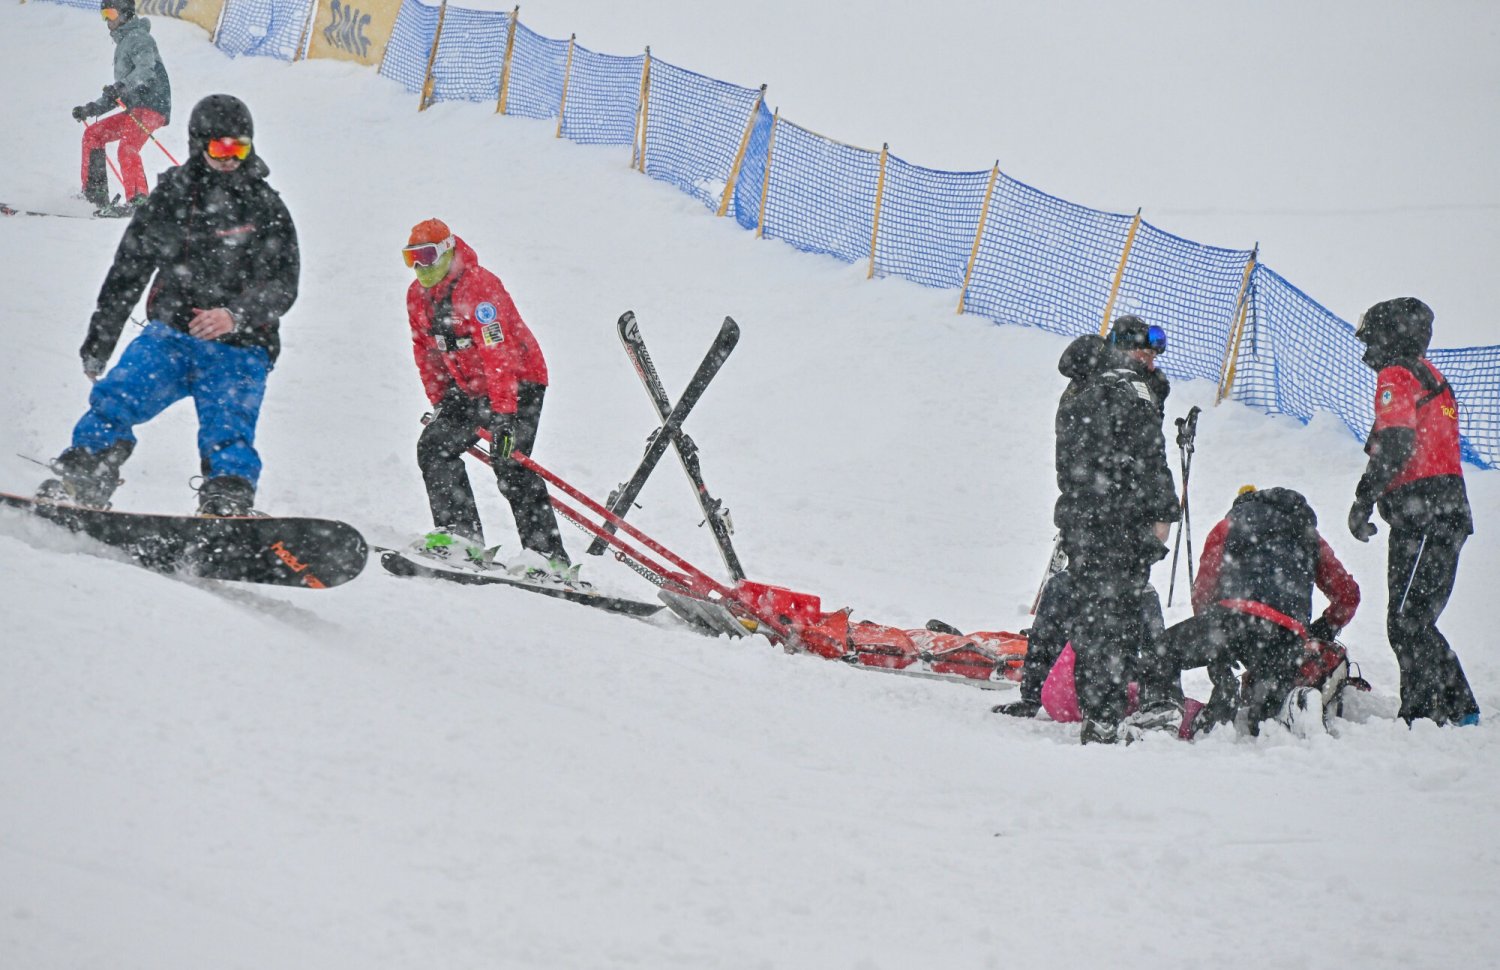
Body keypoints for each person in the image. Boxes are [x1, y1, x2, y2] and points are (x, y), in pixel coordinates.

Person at [38, 94, 300, 517]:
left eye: (240, 149)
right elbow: (128, 272)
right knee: (116, 398)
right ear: (199, 144)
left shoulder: (265, 206)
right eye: (220, 148)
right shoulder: (172, 198)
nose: (230, 159)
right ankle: (85, 474)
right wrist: (99, 342)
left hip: (241, 346)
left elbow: (284, 283)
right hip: (172, 337)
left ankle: (226, 498)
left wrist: (235, 316)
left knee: (229, 427)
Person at [404, 218, 575, 582]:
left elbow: (498, 353)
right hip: (469, 389)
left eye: (427, 256)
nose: (420, 266)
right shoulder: (417, 297)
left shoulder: (478, 287)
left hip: (519, 382)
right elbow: (425, 352)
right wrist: (441, 401)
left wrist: (504, 417)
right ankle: (461, 535)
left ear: (447, 251)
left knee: (509, 461)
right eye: (411, 258)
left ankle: (548, 557)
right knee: (433, 446)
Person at [1348, 297, 1479, 726]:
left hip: (1425, 511)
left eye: (1371, 341)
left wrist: (1363, 499)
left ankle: (1427, 713)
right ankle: (1451, 708)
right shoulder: (1431, 375)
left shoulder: (1397, 375)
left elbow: (1396, 443)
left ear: (1389, 337)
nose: (1368, 353)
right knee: (1410, 618)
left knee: (1407, 619)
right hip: (1437, 510)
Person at [1050, 315, 1181, 743]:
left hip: (1084, 519)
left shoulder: (1081, 385)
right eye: (1145, 351)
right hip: (1120, 522)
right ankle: (1109, 712)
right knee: (1118, 616)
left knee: (1095, 616)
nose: (1152, 360)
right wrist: (1163, 512)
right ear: (1125, 350)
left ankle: (1100, 710)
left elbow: (1074, 459)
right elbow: (1150, 456)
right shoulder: (1130, 386)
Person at [1162, 485, 1361, 735]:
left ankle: (1169, 708)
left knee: (1161, 652)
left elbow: (1204, 588)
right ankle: (1292, 704)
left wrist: (1214, 645)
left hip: (1231, 619)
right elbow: (1348, 595)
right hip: (1285, 635)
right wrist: (1325, 627)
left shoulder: (1229, 525)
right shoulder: (1309, 536)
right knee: (1264, 717)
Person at [72, 0, 172, 215]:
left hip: (152, 105)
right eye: (104, 15)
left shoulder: (140, 38)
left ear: (125, 13)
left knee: (127, 147)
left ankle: (139, 202)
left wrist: (121, 87)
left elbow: (146, 71)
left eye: (110, 13)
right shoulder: (123, 42)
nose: (107, 20)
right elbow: (119, 93)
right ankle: (94, 195)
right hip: (135, 109)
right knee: (93, 135)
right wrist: (91, 109)